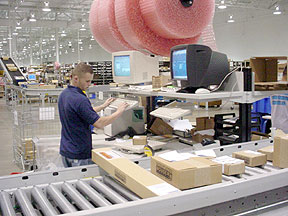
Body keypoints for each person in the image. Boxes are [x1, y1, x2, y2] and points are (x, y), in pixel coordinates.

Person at [58, 62, 128, 167]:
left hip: (66, 151)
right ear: (76, 79)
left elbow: (82, 112)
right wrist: (119, 111)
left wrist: (103, 106)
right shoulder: (80, 99)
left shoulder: (65, 94)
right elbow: (99, 123)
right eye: (87, 81)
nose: (89, 84)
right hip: (79, 155)